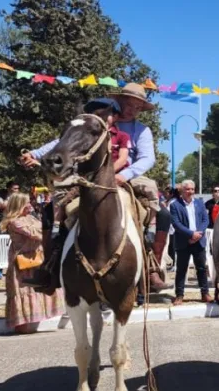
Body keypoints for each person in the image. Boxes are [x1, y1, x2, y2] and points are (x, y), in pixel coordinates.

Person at [19, 86, 166, 292]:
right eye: (129, 104)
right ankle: (50, 267)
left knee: (164, 215)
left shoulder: (142, 130)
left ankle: (150, 267)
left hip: (127, 176)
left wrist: (124, 175)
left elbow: (147, 158)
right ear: (118, 102)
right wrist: (35, 154)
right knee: (50, 210)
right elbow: (64, 141)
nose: (132, 110)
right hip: (89, 177)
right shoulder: (94, 123)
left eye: (138, 107)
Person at [0, 193, 65, 334]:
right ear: (18, 205)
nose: (30, 205)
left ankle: (31, 323)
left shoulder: (30, 218)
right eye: (26, 203)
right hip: (22, 264)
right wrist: (51, 229)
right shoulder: (15, 222)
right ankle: (21, 326)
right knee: (23, 292)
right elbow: (38, 234)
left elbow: (46, 231)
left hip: (37, 260)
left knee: (36, 291)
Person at [169, 180, 210, 305]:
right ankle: (179, 295)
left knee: (202, 268)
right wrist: (191, 234)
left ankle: (205, 293)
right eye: (187, 189)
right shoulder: (175, 205)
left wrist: (199, 234)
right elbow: (176, 223)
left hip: (199, 241)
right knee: (181, 269)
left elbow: (205, 219)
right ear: (182, 190)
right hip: (183, 241)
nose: (190, 192)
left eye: (192, 189)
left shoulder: (199, 203)